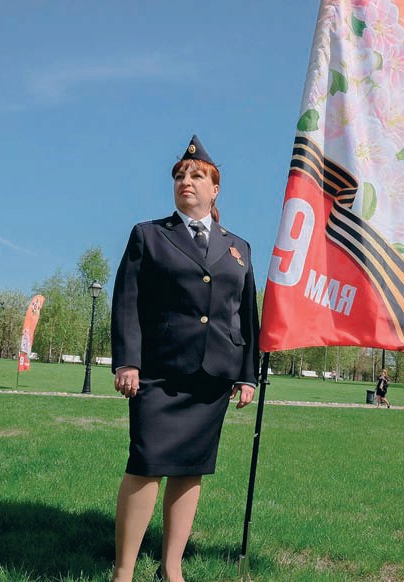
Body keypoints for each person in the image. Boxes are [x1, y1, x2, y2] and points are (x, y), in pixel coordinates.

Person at [110, 135, 259, 582]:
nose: (185, 181)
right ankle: (123, 571)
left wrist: (247, 375)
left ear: (215, 190)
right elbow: (127, 302)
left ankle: (171, 566)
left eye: (196, 175)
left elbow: (246, 315)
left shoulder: (239, 247)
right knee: (145, 466)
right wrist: (127, 361)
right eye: (179, 176)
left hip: (212, 376)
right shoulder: (149, 235)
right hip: (159, 373)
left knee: (191, 470)